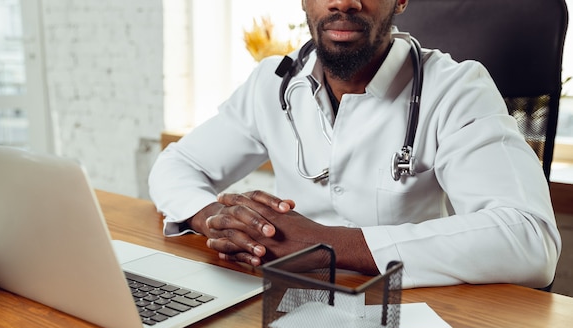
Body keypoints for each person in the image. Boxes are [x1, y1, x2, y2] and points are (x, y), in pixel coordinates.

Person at [149, 0, 561, 289]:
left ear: (400, 0)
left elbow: (530, 238)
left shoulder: (455, 88)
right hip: (288, 302)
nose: (343, 2)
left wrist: (326, 245)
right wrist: (214, 220)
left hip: (413, 315)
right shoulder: (273, 82)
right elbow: (177, 164)